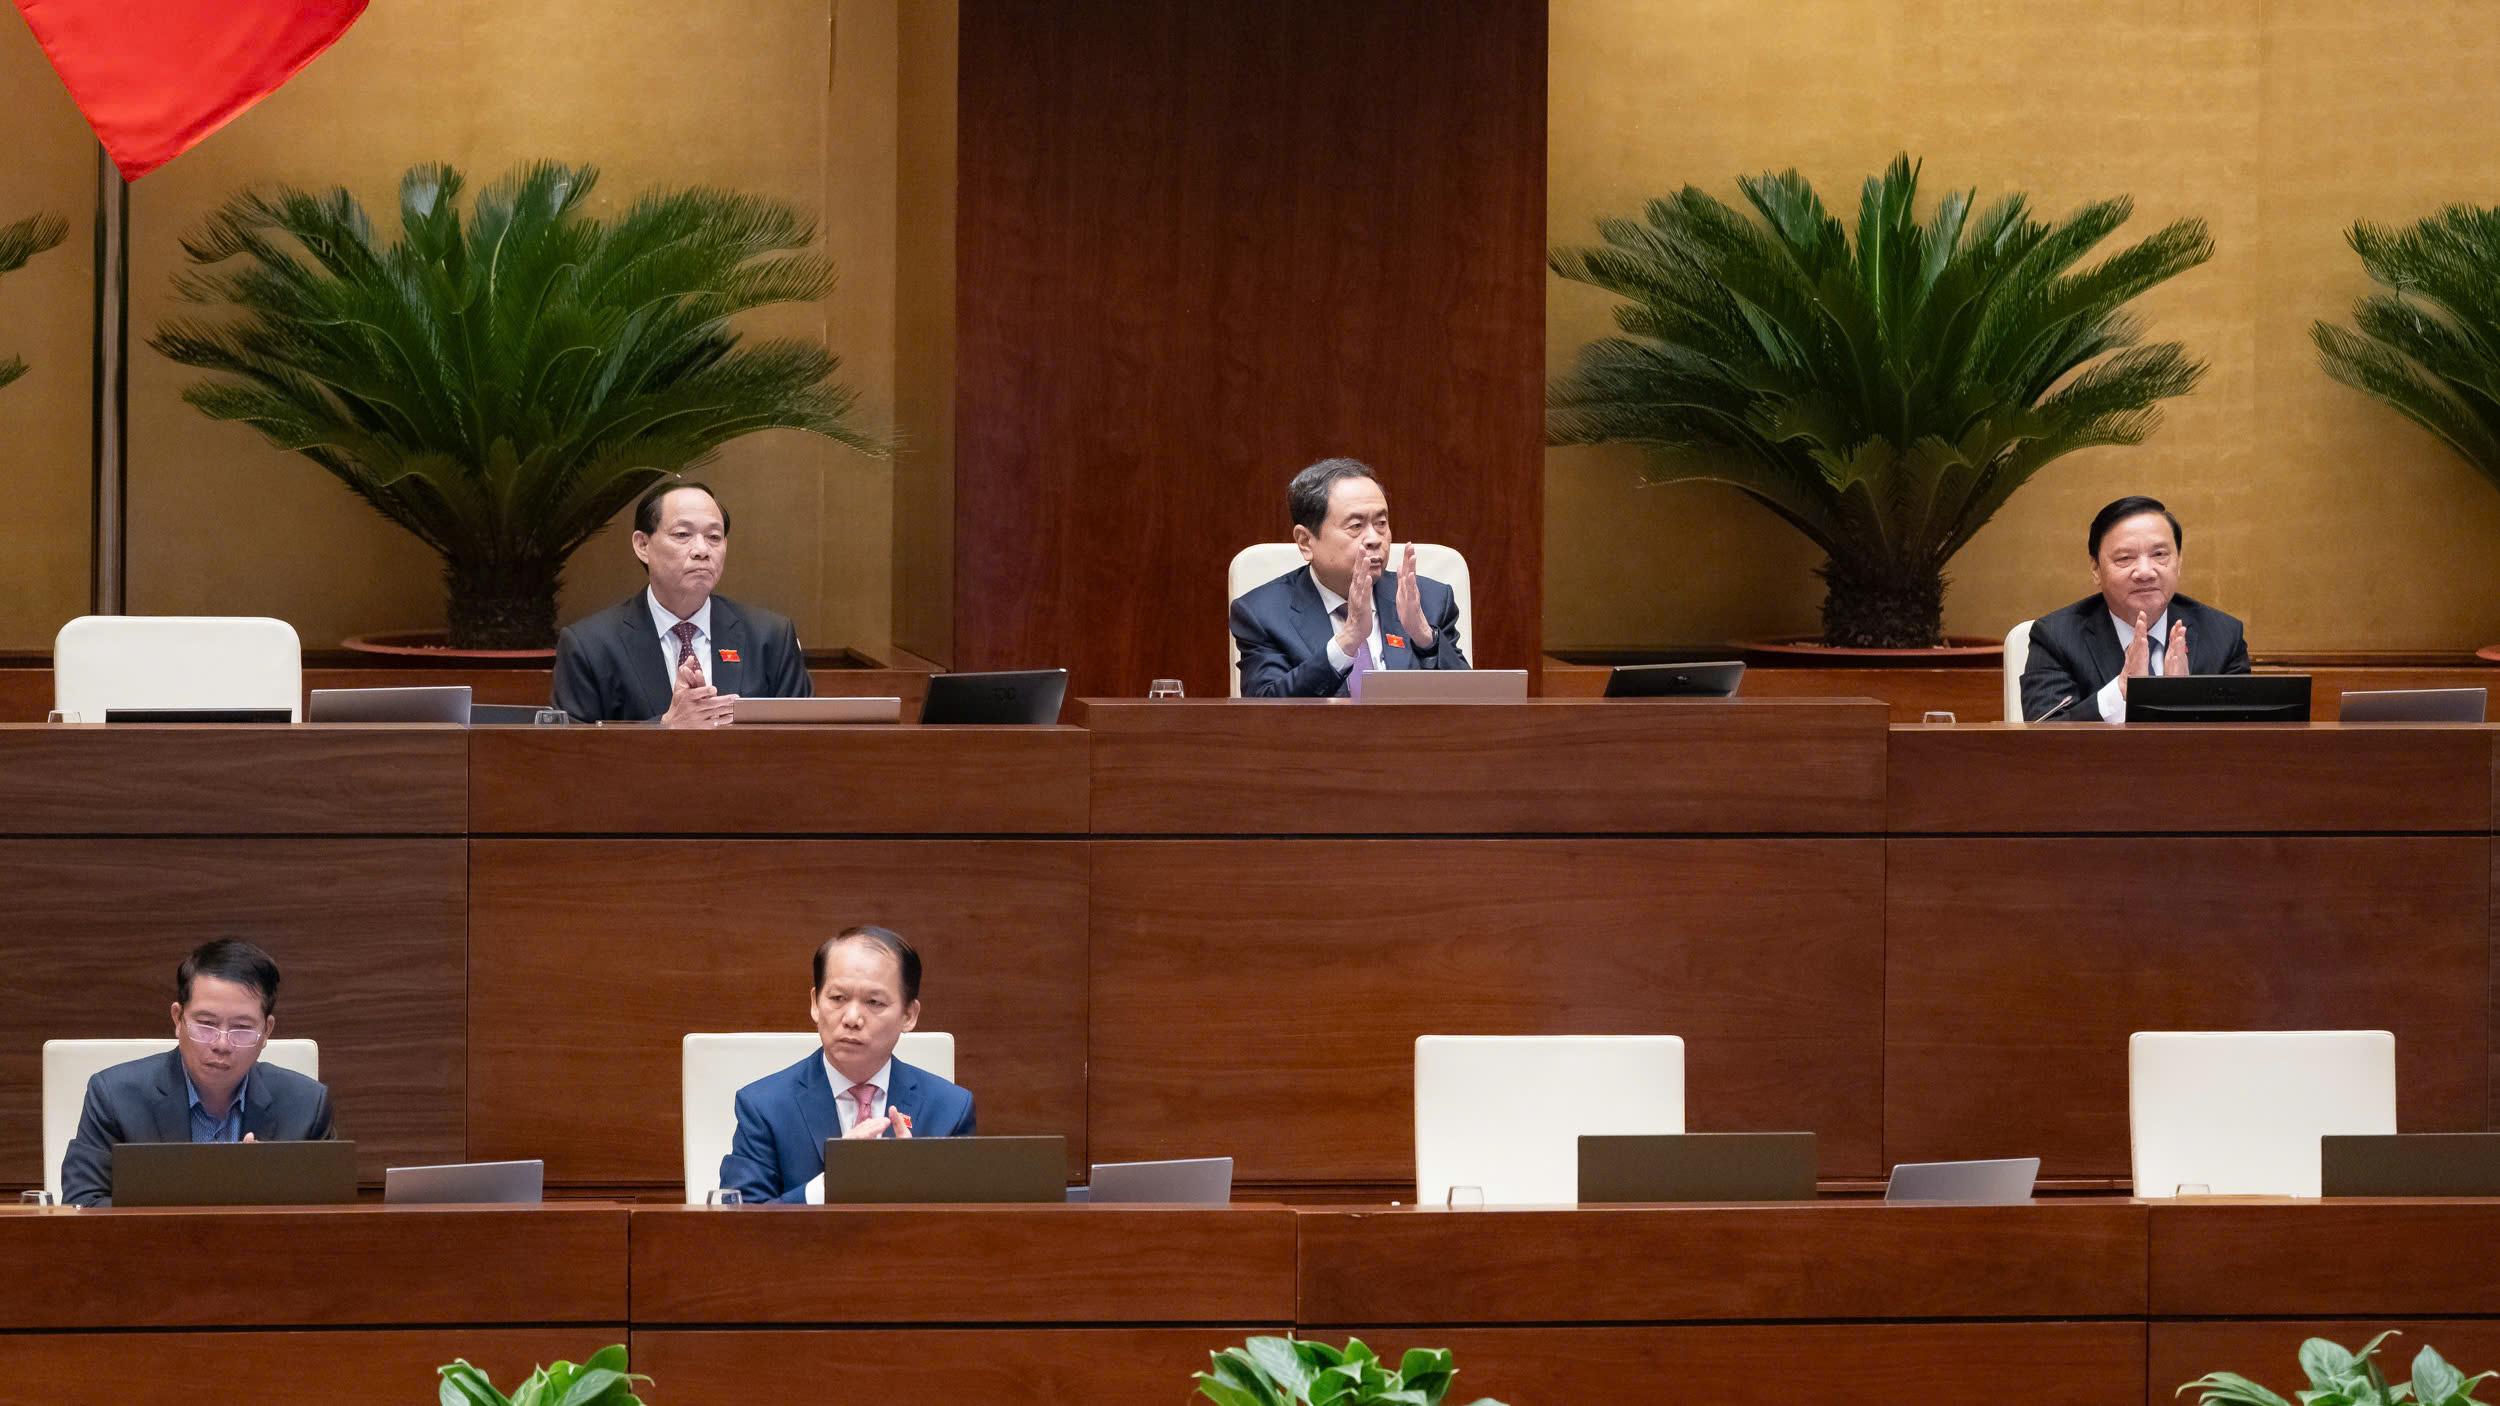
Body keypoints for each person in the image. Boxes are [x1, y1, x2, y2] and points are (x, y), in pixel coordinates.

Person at [60, 939, 337, 1207]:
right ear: (178, 1019)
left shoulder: (308, 1106)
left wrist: (264, 1191)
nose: (222, 1044)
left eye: (241, 1028)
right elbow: (82, 1205)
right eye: (206, 1024)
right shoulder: (115, 1097)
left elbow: (332, 1218)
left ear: (266, 1031)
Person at [718, 925, 976, 1204]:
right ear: (815, 1003)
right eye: (838, 998)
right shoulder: (764, 1106)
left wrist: (917, 1187)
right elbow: (740, 1221)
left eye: (874, 1002)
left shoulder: (950, 1109)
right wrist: (830, 1184)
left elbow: (969, 1223)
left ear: (909, 1015)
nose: (852, 1018)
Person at [552, 479, 814, 725]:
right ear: (642, 545)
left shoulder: (770, 637)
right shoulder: (590, 646)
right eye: (682, 534)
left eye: (714, 537)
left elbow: (806, 740)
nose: (702, 550)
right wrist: (665, 729)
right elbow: (572, 750)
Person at [1230, 457, 1470, 697]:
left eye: (1381, 523)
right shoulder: (1263, 614)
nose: (1374, 539)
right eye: (1356, 526)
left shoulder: (1429, 601)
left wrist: (1425, 638)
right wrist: (1348, 639)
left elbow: (1473, 703)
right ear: (1305, 541)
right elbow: (1265, 709)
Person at [2018, 495, 2251, 723]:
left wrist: (2185, 701)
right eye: (2124, 558)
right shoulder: (2056, 637)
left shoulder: (2223, 636)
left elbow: (2245, 736)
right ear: (2096, 569)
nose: (2145, 572)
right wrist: (2121, 691)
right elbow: (2044, 735)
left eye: (2159, 554)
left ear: (2179, 562)